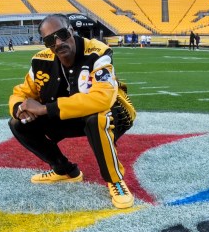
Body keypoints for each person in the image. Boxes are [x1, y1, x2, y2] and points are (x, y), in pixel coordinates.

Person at [8, 13, 136, 209]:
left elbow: (102, 99)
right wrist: (20, 109)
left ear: (72, 30)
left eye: (62, 34)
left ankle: (115, 180)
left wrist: (44, 109)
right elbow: (22, 92)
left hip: (113, 112)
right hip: (66, 115)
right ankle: (65, 170)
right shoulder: (40, 60)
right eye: (50, 40)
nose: (58, 42)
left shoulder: (98, 52)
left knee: (97, 118)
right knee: (18, 124)